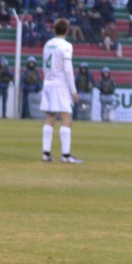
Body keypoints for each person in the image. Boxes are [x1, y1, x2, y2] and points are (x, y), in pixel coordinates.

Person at [38, 18, 82, 163]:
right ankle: (66, 156)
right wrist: (73, 90)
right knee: (66, 117)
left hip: (48, 83)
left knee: (50, 116)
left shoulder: (47, 44)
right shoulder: (66, 46)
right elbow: (68, 70)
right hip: (59, 84)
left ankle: (46, 154)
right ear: (67, 31)